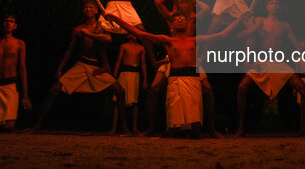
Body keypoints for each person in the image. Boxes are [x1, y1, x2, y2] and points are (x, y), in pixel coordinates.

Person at [103, 10, 250, 138]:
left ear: (188, 24)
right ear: (172, 24)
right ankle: (156, 128)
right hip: (175, 80)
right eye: (176, 19)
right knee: (175, 130)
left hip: (192, 80)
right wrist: (116, 19)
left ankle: (210, 129)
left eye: (183, 19)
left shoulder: (195, 40)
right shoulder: (167, 40)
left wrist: (240, 18)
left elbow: (222, 35)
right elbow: (139, 33)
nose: (180, 20)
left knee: (195, 132)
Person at [29, 0, 129, 134]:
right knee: (54, 89)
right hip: (81, 65)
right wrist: (60, 68)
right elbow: (70, 50)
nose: (87, 9)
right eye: (85, 8)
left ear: (96, 10)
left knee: (120, 91)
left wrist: (91, 36)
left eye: (90, 7)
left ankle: (124, 127)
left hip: (97, 68)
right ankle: (37, 125)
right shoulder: (78, 29)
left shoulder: (103, 27)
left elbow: (108, 40)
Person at [234, 0, 305, 137]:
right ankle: (241, 128)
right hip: (261, 61)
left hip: (278, 62)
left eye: (277, 3)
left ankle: (304, 128)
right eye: (272, 3)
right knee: (242, 87)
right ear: (267, 7)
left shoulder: (285, 25)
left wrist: (303, 48)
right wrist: (255, 28)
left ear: (280, 7)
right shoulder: (260, 21)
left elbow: (296, 46)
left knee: (304, 90)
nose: (275, 5)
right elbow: (241, 36)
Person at [150, 0, 220, 137]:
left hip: (191, 61)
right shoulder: (171, 18)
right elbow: (157, 2)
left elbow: (207, 9)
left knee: (207, 89)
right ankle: (154, 127)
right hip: (171, 59)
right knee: (155, 87)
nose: (183, 4)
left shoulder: (192, 19)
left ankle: (210, 128)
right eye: (181, 1)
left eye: (186, 1)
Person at [110, 34, 147, 134]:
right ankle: (114, 128)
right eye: (132, 33)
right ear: (128, 35)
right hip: (124, 73)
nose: (134, 35)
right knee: (118, 101)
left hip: (135, 74)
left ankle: (134, 128)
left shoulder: (141, 48)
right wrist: (114, 76)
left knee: (135, 102)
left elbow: (143, 63)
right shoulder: (124, 46)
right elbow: (119, 61)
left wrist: (145, 79)